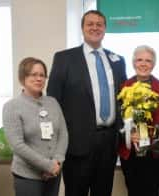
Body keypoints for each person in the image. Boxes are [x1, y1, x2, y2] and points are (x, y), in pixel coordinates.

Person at [47, 10, 127, 196]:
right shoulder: (64, 59)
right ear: (82, 28)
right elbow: (53, 101)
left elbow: (124, 99)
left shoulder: (117, 61)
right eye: (90, 23)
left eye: (99, 24)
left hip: (109, 143)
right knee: (76, 192)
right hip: (76, 144)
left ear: (105, 29)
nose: (95, 27)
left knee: (103, 192)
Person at [2, 57, 68, 196]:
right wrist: (47, 166)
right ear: (22, 78)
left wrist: (57, 162)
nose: (39, 79)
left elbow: (63, 134)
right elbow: (17, 145)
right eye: (34, 74)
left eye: (42, 75)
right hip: (27, 176)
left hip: (54, 174)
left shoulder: (53, 102)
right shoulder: (12, 107)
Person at [118, 45, 159, 196]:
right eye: (139, 60)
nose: (143, 64)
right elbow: (117, 120)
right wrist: (127, 134)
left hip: (153, 152)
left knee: (152, 190)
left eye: (148, 61)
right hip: (129, 151)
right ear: (133, 63)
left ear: (153, 64)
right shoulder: (123, 87)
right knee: (133, 190)